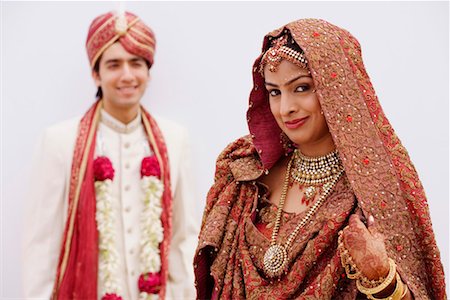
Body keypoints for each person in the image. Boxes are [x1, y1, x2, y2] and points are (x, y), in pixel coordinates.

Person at [194, 19, 446, 299]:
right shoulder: (244, 175)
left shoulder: (377, 189)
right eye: (275, 92)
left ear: (336, 89)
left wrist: (380, 277)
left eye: (301, 88)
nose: (286, 108)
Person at [22, 10, 198, 300]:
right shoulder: (59, 142)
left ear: (148, 72)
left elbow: (184, 238)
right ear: (96, 74)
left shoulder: (175, 139)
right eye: (114, 64)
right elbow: (42, 246)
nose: (127, 75)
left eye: (136, 63)